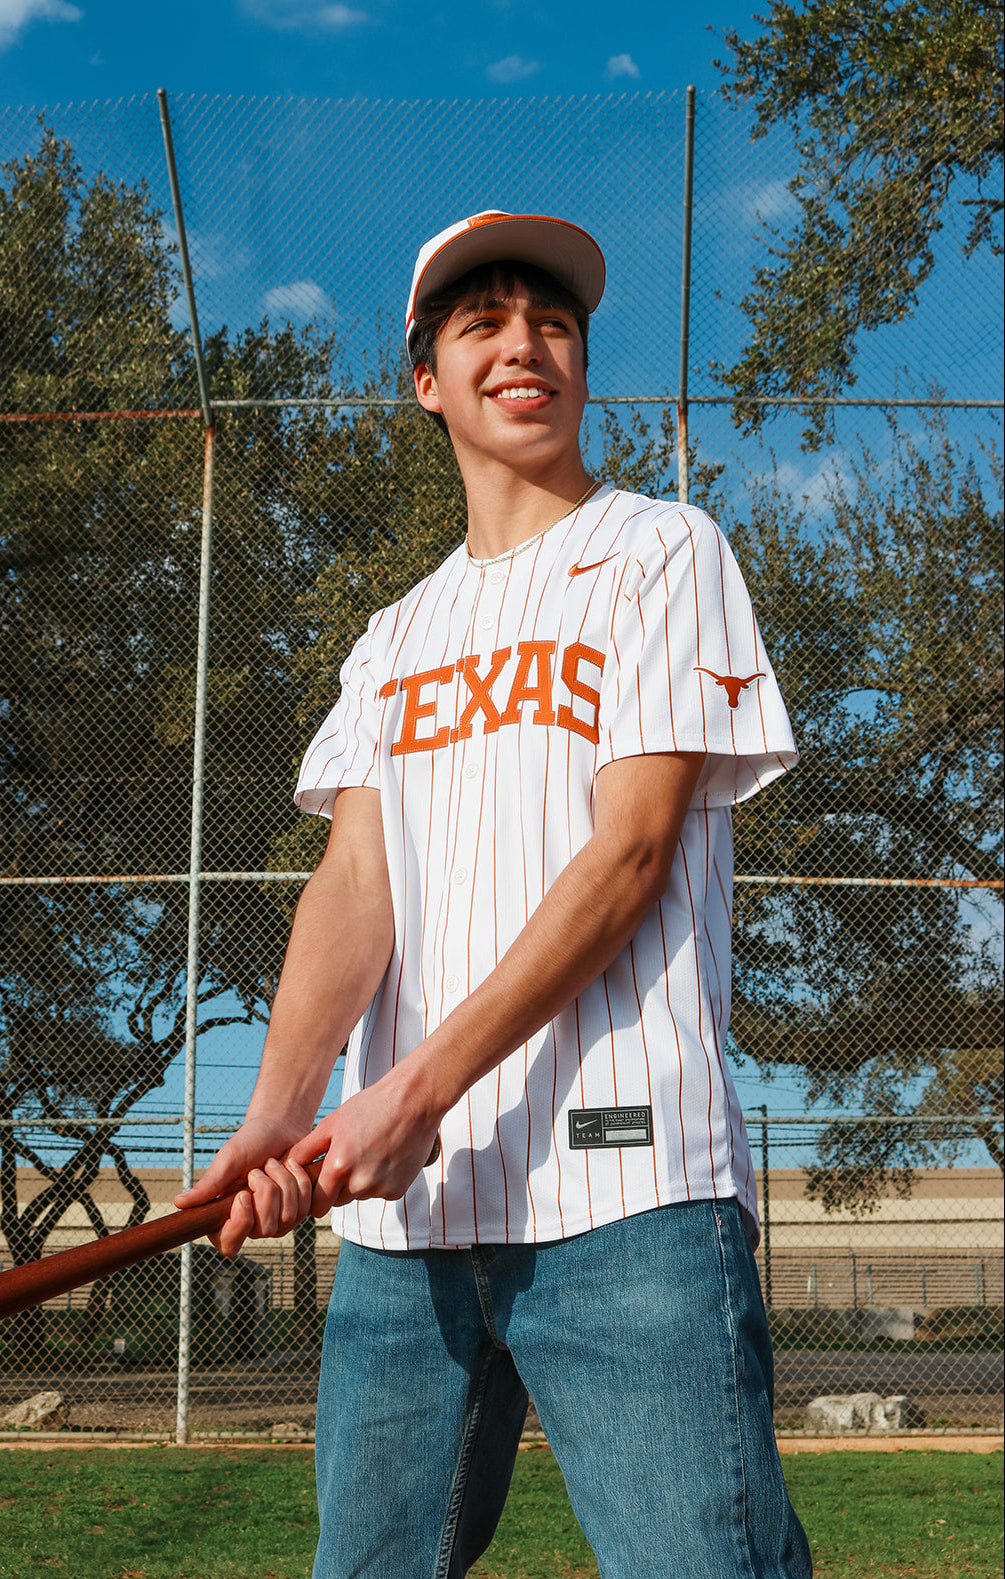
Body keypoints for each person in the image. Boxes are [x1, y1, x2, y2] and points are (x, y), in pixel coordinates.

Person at [178, 209, 813, 1578]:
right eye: (482, 322)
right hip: (408, 1230)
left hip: (629, 1198)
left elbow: (631, 855)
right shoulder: (392, 638)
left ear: (581, 363)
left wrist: (411, 1091)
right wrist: (276, 1115)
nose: (524, 344)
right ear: (426, 379)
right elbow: (355, 884)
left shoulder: (661, 551)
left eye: (552, 322)